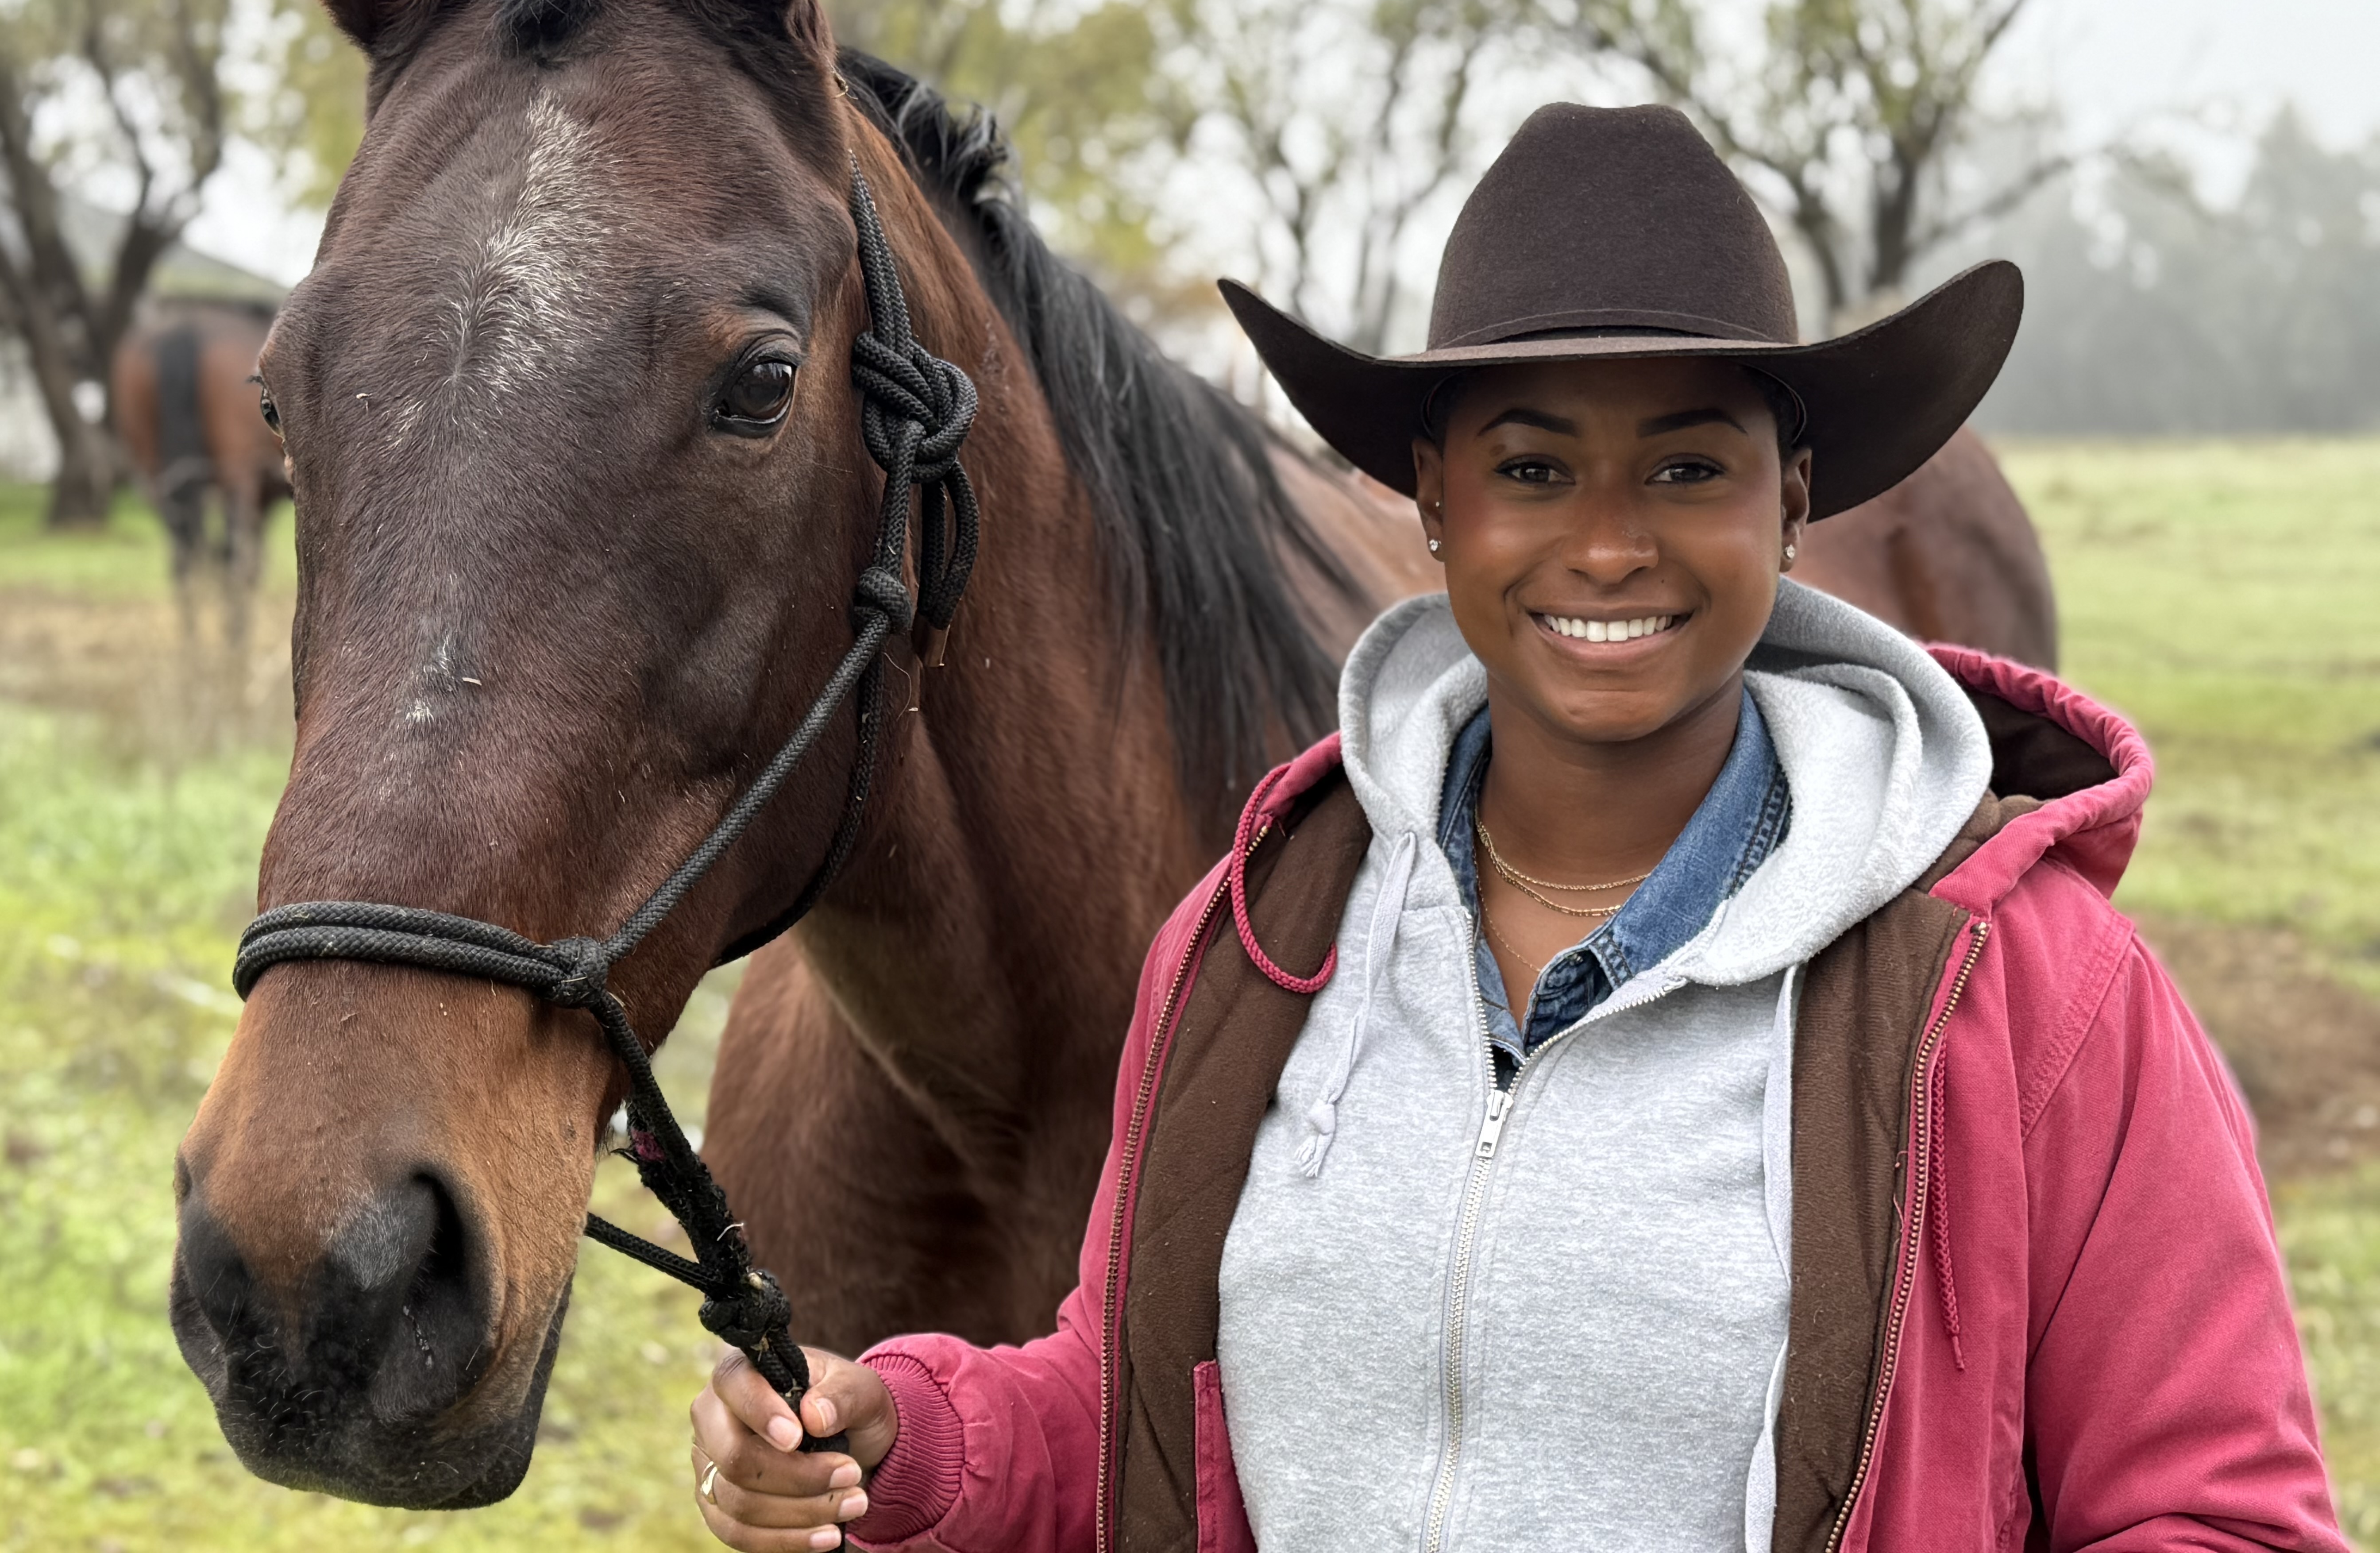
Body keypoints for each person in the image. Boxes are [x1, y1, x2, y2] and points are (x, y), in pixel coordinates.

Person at [689, 104, 2343, 1552]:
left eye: (1690, 468)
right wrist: (915, 1445)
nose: (1609, 544)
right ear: (1434, 501)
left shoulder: (2038, 998)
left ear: (1794, 497)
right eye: (1535, 469)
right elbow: (1136, 1415)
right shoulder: (1263, 938)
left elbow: (2223, 1514)